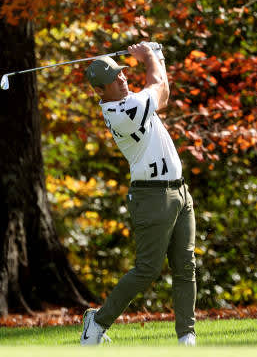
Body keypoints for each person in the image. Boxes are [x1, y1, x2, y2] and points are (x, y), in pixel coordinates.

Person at [80, 42, 197, 347]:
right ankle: (98, 322)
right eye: (115, 78)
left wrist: (155, 57)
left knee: (186, 266)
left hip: (179, 192)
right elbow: (160, 89)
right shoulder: (122, 112)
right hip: (152, 197)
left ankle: (187, 337)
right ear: (101, 90)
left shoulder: (130, 99)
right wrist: (151, 56)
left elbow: (161, 89)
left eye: (122, 73)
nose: (122, 79)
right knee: (147, 269)